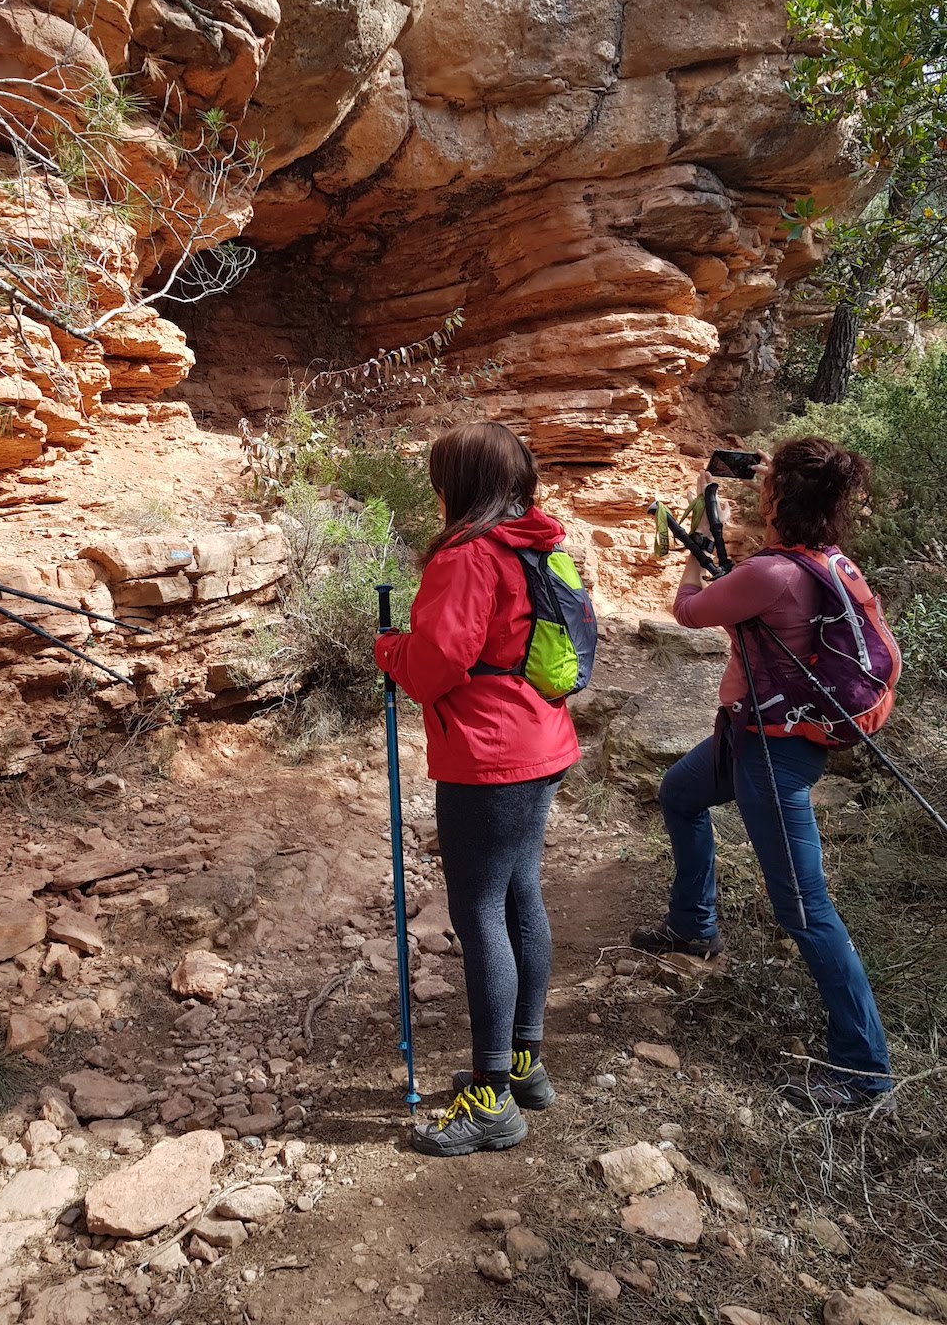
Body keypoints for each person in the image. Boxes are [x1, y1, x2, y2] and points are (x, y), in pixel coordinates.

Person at [631, 437, 893, 1111]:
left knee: (805, 910)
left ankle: (863, 1070)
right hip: (757, 737)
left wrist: (694, 550)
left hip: (770, 753)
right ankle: (694, 925)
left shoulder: (770, 574)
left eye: (769, 483)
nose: (760, 488)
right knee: (681, 794)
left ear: (780, 499)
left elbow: (689, 612)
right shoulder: (830, 562)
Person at [375, 422, 582, 1156]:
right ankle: (525, 1063)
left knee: (480, 909)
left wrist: (389, 648)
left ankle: (490, 1097)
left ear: (456, 484)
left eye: (439, 477)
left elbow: (434, 667)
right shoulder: (539, 545)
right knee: (521, 893)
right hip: (542, 740)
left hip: (490, 756)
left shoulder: (467, 556)